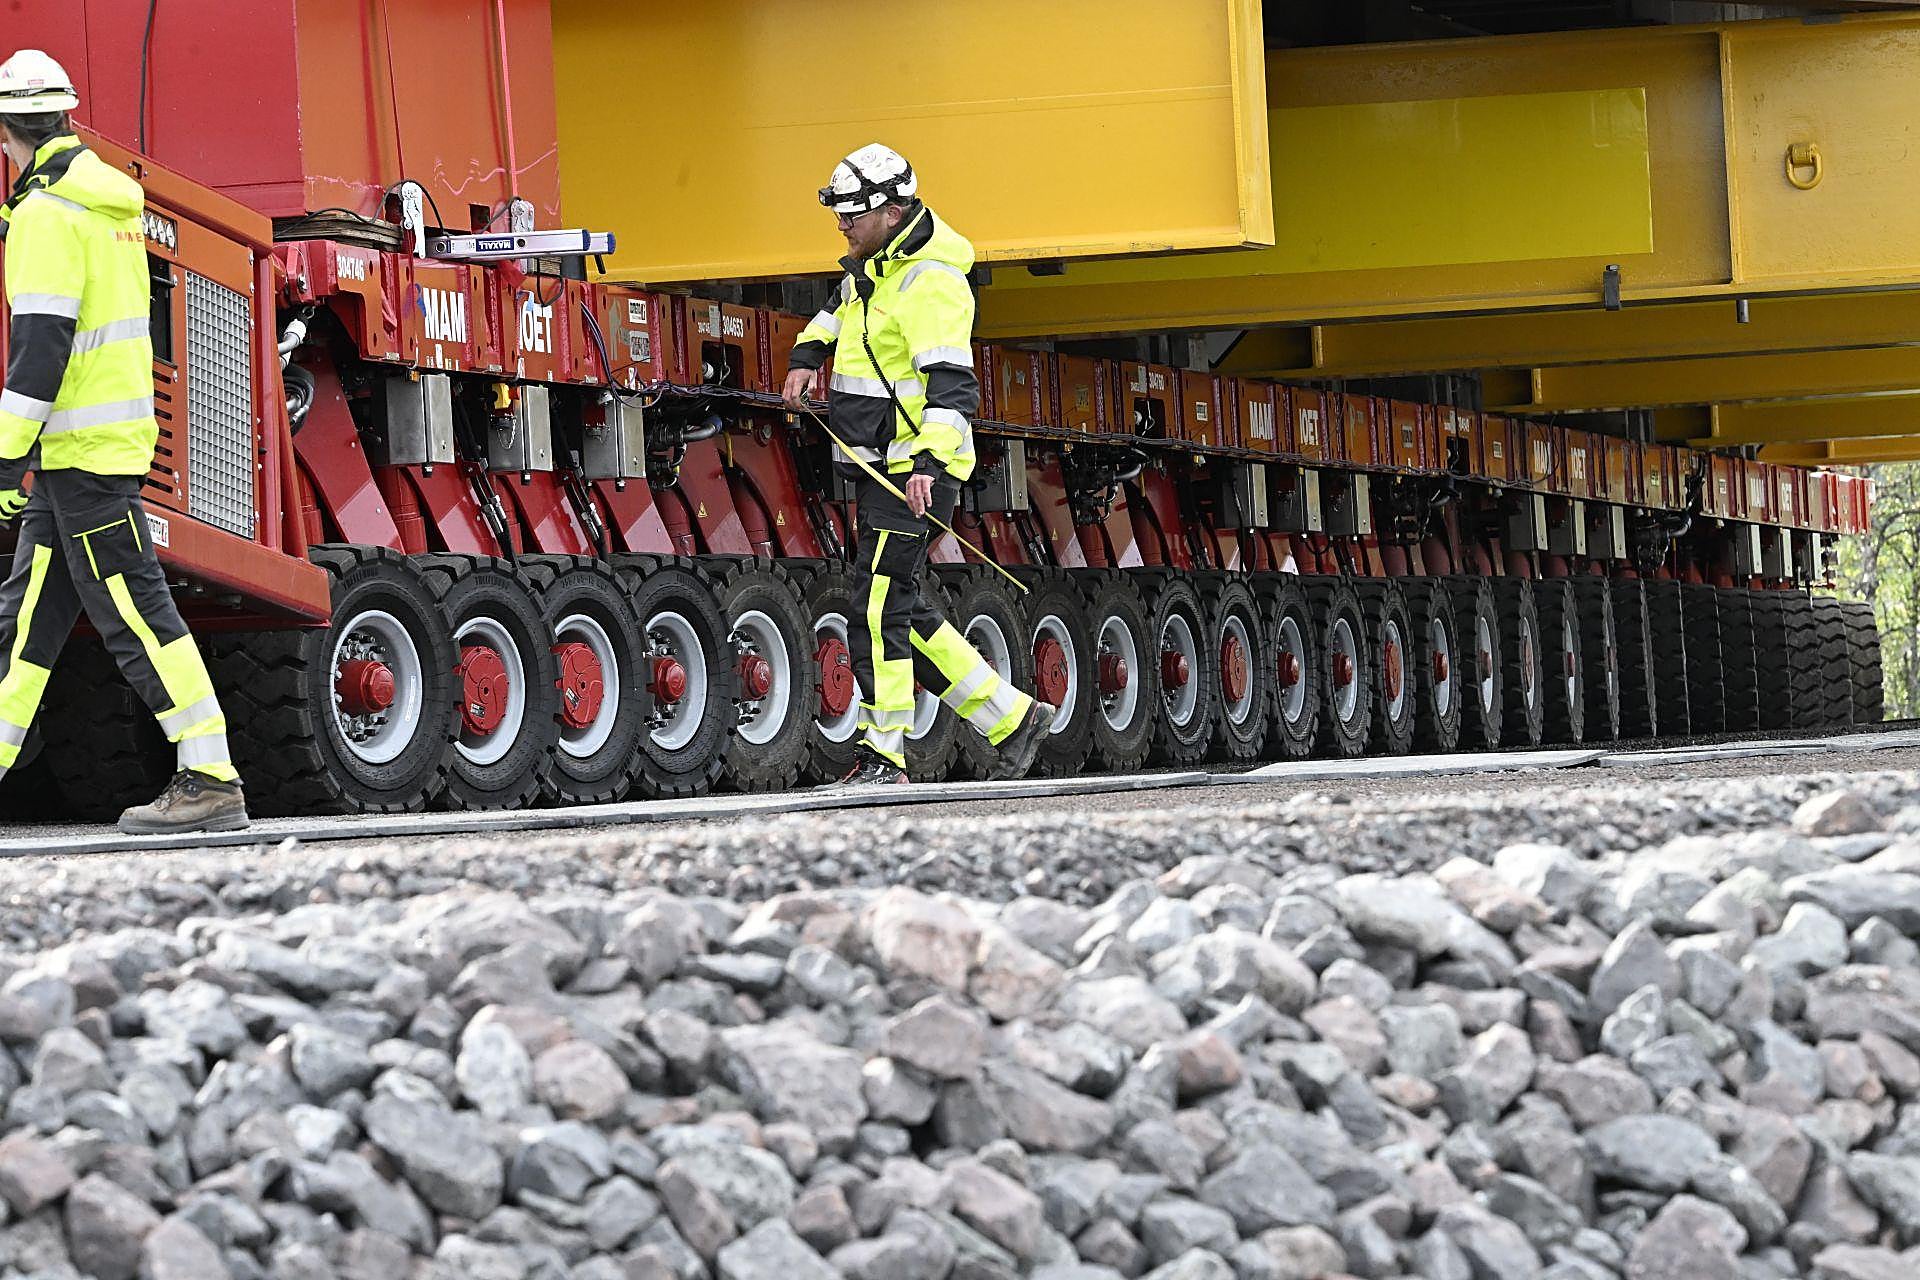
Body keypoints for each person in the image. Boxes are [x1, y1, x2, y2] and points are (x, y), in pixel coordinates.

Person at [0, 50, 246, 833]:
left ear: (6, 134)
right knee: (25, 621)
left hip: (84, 459)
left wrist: (6, 456)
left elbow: (40, 350)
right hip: (88, 453)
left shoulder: (47, 214)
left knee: (136, 616)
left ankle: (211, 776)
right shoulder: (106, 204)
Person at [782, 143, 1054, 785]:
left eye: (852, 214)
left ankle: (885, 752)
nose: (841, 225)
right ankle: (1013, 719)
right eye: (838, 214)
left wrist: (927, 464)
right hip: (882, 465)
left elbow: (952, 388)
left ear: (893, 210)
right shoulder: (872, 269)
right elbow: (838, 314)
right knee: (900, 604)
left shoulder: (931, 282)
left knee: (877, 607)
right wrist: (805, 356)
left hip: (913, 474)